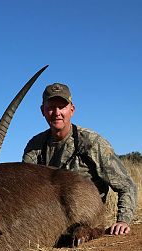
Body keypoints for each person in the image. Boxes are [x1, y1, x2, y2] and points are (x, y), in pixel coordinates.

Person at [22, 82, 137, 235]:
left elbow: (126, 185)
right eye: (50, 107)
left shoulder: (92, 142)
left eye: (62, 107)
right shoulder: (34, 145)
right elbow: (26, 190)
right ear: (42, 111)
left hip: (85, 217)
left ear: (72, 110)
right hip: (50, 218)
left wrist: (123, 220)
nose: (56, 112)